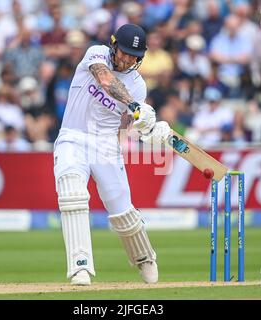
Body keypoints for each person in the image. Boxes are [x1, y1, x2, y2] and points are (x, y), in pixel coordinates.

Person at [53, 24, 171, 286]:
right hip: (73, 136)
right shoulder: (95, 54)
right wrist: (135, 105)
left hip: (105, 145)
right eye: (124, 52)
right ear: (114, 45)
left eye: (134, 56)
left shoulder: (138, 86)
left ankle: (144, 258)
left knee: (122, 213)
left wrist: (146, 128)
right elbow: (105, 80)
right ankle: (80, 267)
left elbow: (125, 123)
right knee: (72, 194)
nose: (127, 59)